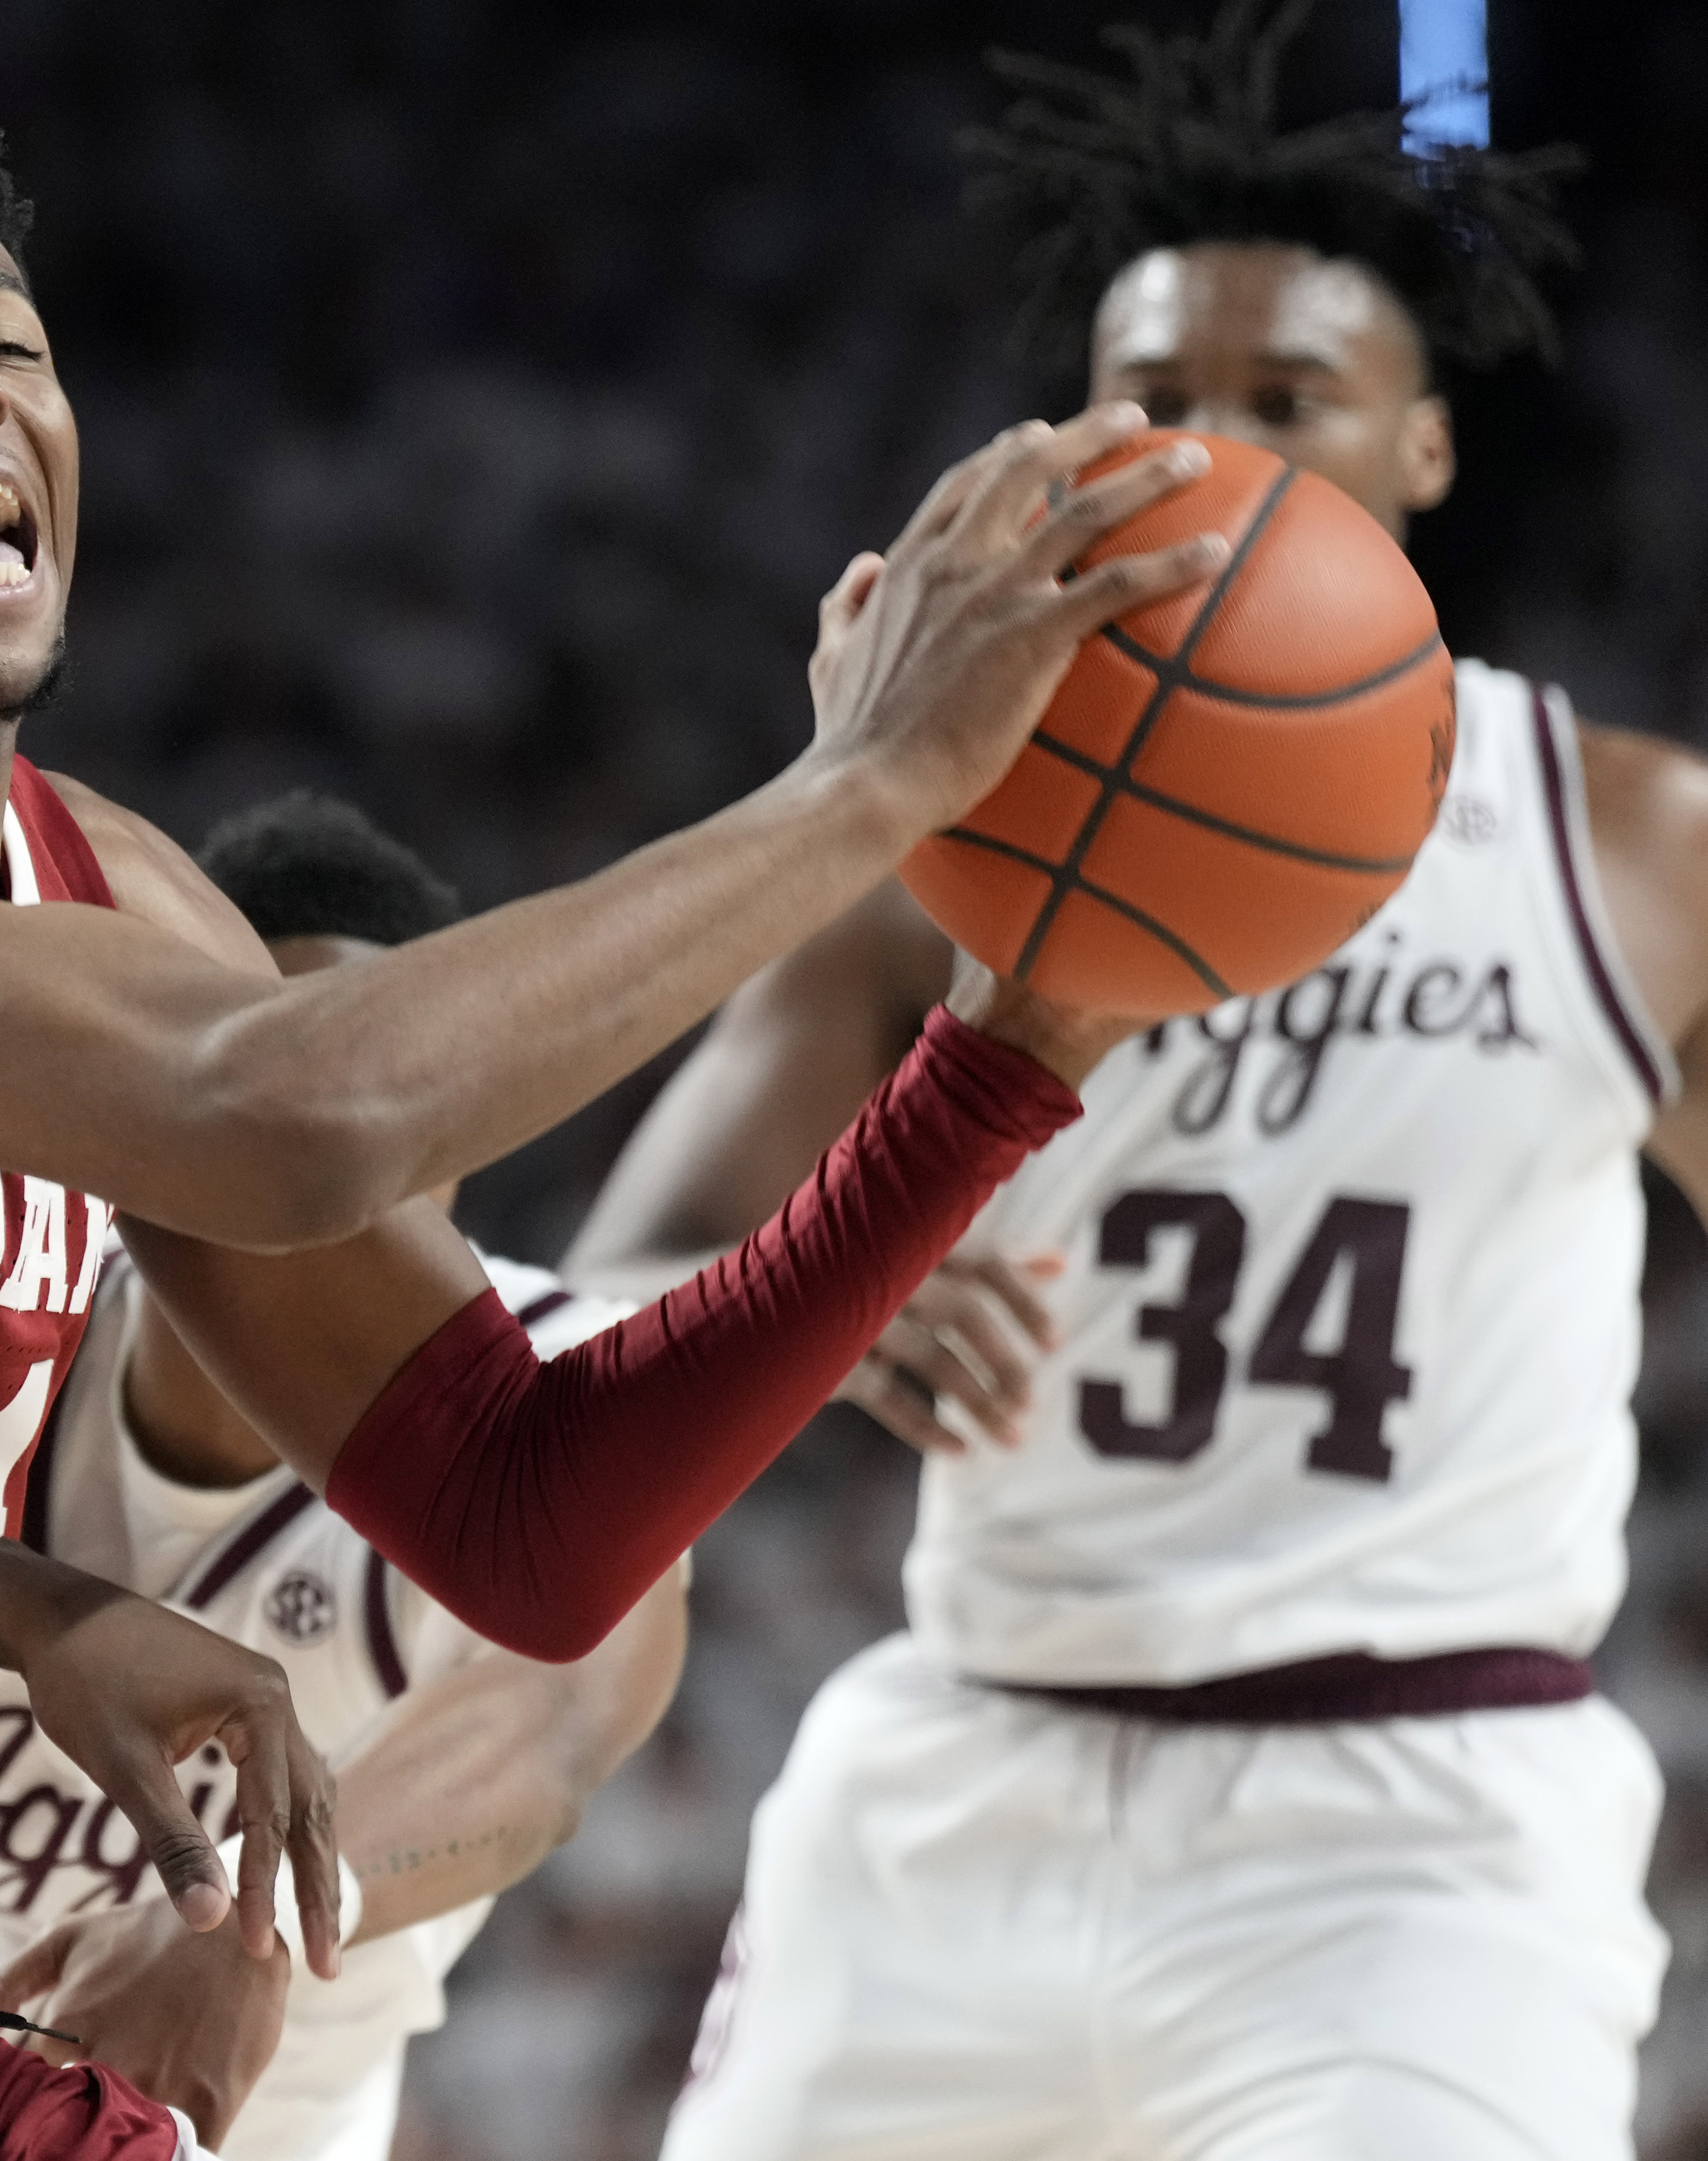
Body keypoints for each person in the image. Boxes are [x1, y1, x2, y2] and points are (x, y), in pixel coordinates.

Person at [0, 83, 1218, 2161]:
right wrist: (854, 795)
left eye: (3, 345)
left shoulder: (127, 899)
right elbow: (279, 1115)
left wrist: (1002, 1058)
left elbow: (531, 1522)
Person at [561, 8, 1708, 2155]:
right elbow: (605, 1294)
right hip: (957, 1780)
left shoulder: (1622, 844)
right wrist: (829, 1304)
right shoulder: (933, 823)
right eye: (1155, 395)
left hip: (1414, 1830)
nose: (1219, 445)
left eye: (1293, 398)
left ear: (1430, 450)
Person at [0, 793, 687, 2161]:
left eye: (385, 1102)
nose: (326, 1163)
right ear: (161, 1101)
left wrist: (247, 1914)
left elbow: (553, 1731)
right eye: (287, 1094)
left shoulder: (561, 1388)